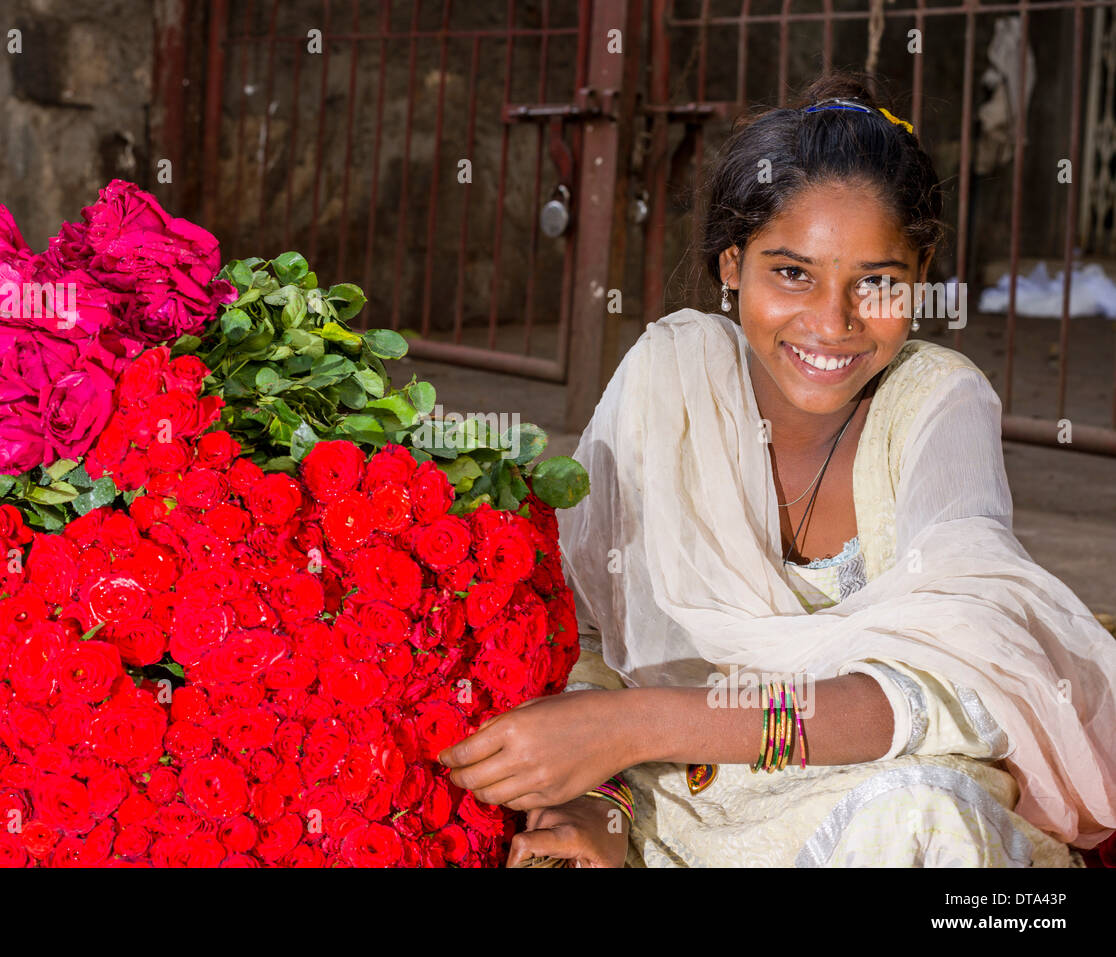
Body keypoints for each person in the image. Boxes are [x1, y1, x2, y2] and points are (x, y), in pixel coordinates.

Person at [436, 73, 1116, 867]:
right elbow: (592, 635)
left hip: (870, 797)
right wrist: (594, 806)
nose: (833, 322)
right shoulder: (670, 380)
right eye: (791, 272)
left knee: (923, 819)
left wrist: (641, 725)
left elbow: (959, 690)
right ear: (733, 264)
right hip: (679, 799)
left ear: (921, 275)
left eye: (877, 281)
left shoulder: (936, 402)